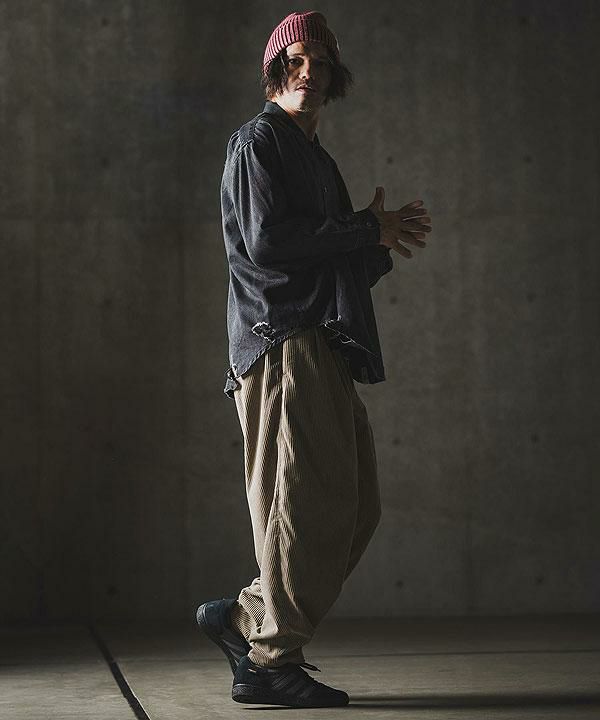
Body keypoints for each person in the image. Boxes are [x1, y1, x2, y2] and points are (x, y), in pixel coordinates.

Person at [196, 10, 432, 708]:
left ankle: (243, 619)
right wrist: (361, 227)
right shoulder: (257, 144)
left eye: (321, 62)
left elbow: (326, 264)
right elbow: (269, 246)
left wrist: (376, 244)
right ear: (273, 73)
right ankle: (269, 660)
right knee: (300, 508)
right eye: (295, 60)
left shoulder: (317, 160)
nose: (309, 72)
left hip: (321, 343)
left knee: (355, 508)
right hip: (281, 344)